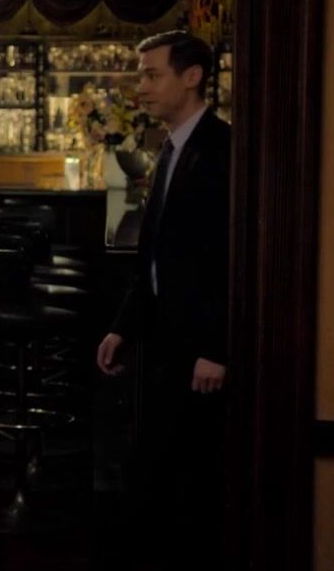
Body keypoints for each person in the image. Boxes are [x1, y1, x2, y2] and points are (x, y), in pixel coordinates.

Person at [96, 30, 231, 568]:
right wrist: (122, 325)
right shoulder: (172, 146)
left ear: (192, 76)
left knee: (188, 479)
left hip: (197, 344)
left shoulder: (220, 148)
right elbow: (152, 253)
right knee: (155, 466)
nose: (142, 88)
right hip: (161, 334)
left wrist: (216, 347)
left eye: (152, 75)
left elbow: (229, 257)